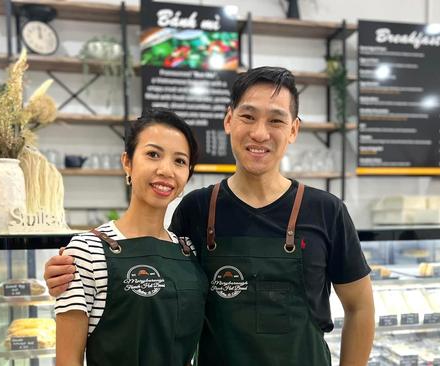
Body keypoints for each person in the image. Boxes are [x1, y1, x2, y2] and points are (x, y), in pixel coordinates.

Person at [47, 67, 375, 366]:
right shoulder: (197, 209)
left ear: (293, 130)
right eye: (248, 116)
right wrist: (75, 268)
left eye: (276, 120)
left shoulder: (326, 210)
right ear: (229, 120)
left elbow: (360, 307)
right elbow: (160, 282)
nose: (260, 133)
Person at [54, 108, 207, 366]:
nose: (166, 170)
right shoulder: (86, 250)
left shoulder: (188, 249)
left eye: (179, 161)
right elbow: (68, 360)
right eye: (153, 154)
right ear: (127, 161)